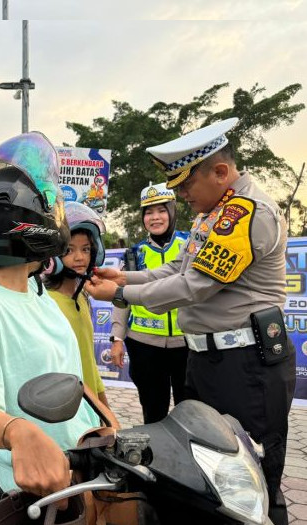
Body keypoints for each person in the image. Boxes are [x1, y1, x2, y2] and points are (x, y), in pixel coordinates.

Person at [85, 118, 296, 525]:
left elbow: (194, 287)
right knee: (205, 472)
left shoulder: (246, 213)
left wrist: (121, 293)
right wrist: (124, 277)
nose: (180, 195)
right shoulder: (214, 214)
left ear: (220, 172)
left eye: (185, 185)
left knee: (252, 484)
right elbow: (175, 270)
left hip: (245, 365)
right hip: (208, 363)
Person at [0, 131, 100, 506]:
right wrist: (19, 433)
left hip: (81, 464)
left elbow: (71, 378)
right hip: (31, 482)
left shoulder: (41, 295)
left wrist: (104, 418)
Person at [109, 183, 190, 424]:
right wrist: (117, 338)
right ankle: (158, 460)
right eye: (148, 212)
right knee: (153, 412)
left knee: (192, 412)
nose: (155, 218)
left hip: (187, 344)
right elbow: (121, 296)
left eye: (161, 210)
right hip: (144, 345)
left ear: (172, 211)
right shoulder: (134, 254)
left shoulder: (190, 245)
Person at [44, 201, 109, 407]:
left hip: (91, 405)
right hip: (66, 407)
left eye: (86, 249)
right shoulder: (47, 303)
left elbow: (89, 360)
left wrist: (104, 406)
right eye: (69, 250)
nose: (80, 257)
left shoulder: (82, 298)